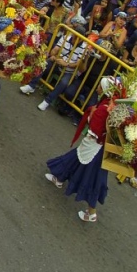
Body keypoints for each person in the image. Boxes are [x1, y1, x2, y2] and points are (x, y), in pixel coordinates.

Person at [45, 76, 120, 223]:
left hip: (95, 147)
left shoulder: (104, 109)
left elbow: (95, 130)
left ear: (104, 90)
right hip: (98, 147)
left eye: (100, 86)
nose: (97, 88)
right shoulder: (111, 107)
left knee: (94, 180)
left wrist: (92, 115)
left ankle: (91, 213)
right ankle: (59, 177)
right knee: (75, 159)